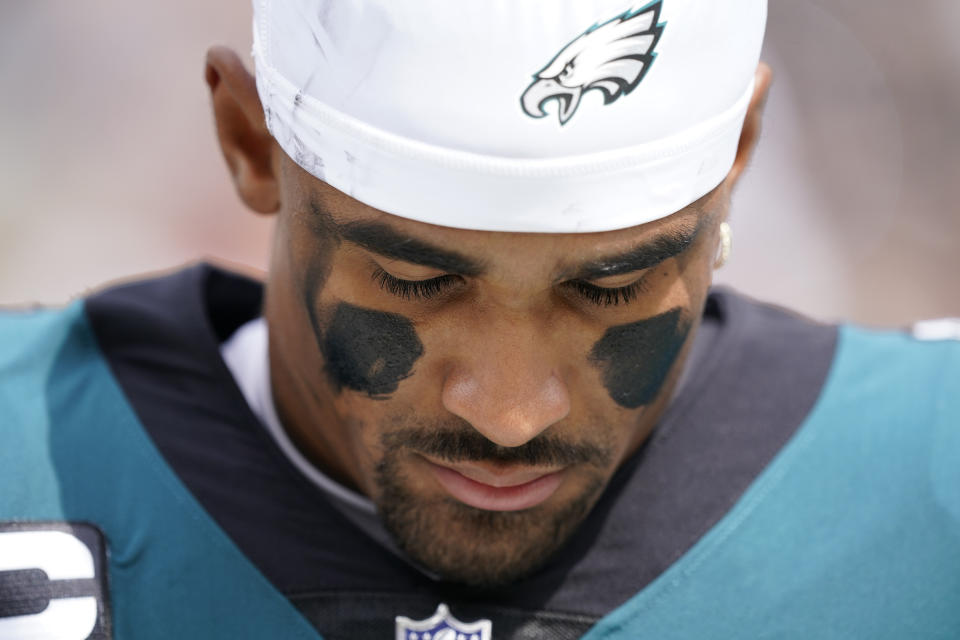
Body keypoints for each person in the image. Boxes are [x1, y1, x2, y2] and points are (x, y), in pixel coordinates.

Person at [1, 1, 958, 638]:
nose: (509, 413)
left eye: (613, 290)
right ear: (253, 143)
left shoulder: (929, 477)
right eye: (415, 281)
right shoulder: (25, 457)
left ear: (739, 154)